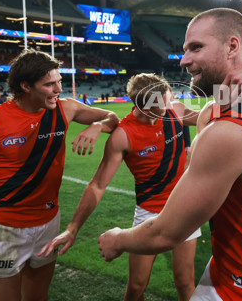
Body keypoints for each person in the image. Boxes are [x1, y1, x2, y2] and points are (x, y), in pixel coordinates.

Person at [97, 8, 242, 300]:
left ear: (232, 46)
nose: (184, 59)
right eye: (184, 49)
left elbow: (166, 233)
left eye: (196, 48)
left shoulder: (227, 131)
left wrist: (118, 239)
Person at [0, 49, 120, 301]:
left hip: (49, 223)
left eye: (59, 82)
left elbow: (113, 118)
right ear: (25, 86)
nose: (59, 89)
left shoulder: (66, 109)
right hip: (4, 228)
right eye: (49, 84)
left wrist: (97, 125)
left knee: (38, 297)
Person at [38, 73, 200, 301]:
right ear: (140, 106)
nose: (166, 110)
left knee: (185, 282)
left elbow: (209, 118)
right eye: (158, 107)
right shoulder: (123, 135)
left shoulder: (176, 110)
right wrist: (72, 228)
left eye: (168, 101)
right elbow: (98, 185)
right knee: (136, 286)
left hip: (183, 209)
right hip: (149, 214)